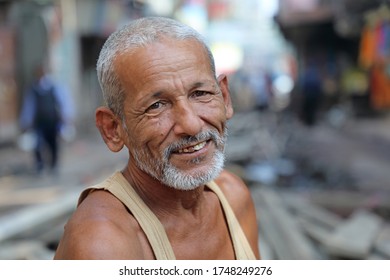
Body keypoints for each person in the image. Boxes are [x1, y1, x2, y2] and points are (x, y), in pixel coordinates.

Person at [54, 17, 260, 260]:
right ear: (112, 129)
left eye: (200, 93)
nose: (191, 125)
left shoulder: (233, 198)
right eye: (157, 106)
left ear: (224, 97)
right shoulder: (103, 241)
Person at [19, 62, 74, 175]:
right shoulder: (33, 89)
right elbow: (29, 107)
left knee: (53, 143)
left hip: (52, 121)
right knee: (37, 144)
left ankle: (54, 165)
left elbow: (63, 102)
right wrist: (25, 121)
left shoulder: (53, 87)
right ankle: (40, 165)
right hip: (39, 123)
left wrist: (67, 116)